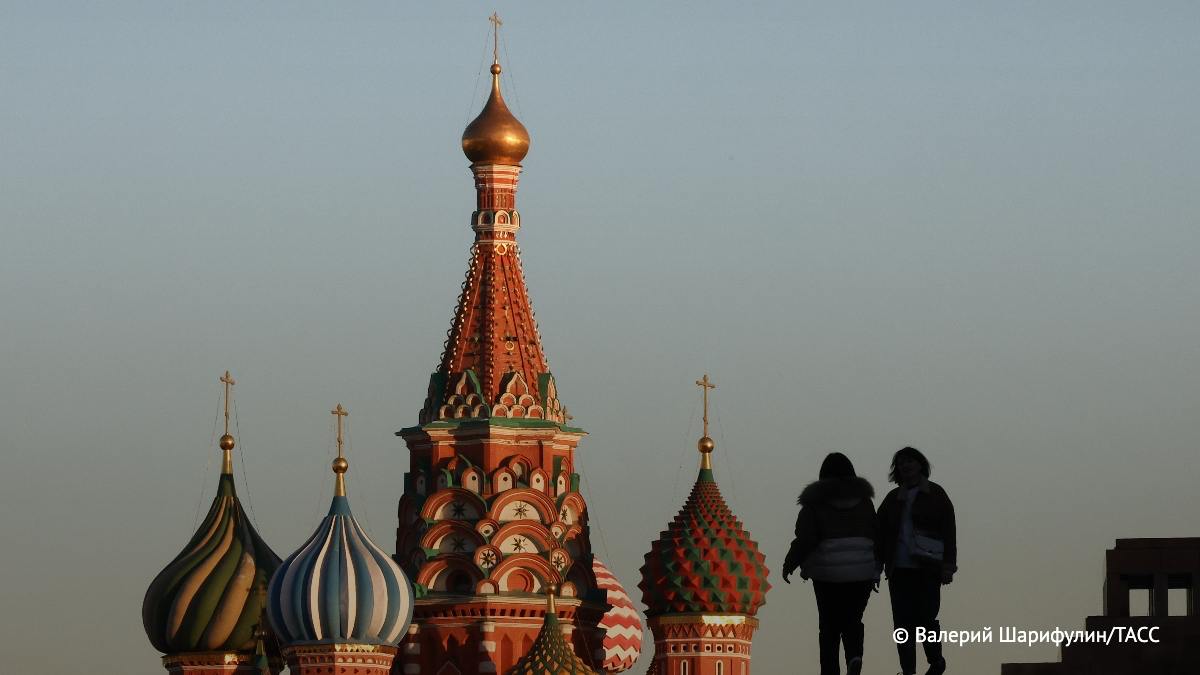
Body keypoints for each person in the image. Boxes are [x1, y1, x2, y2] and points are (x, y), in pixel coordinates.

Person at [783, 452, 880, 675]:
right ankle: (854, 656)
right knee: (853, 618)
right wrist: (877, 566)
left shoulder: (814, 505)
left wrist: (791, 563)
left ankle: (829, 670)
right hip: (862, 571)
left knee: (828, 625)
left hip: (827, 572)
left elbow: (806, 538)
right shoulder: (865, 503)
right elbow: (877, 533)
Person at [877, 446, 956, 675]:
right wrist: (877, 566)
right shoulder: (892, 499)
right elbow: (880, 534)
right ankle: (908, 670)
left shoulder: (936, 494)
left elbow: (949, 531)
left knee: (926, 619)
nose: (905, 466)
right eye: (901, 463)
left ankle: (935, 661)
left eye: (909, 461)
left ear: (920, 464)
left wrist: (948, 566)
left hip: (928, 568)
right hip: (899, 569)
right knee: (902, 625)